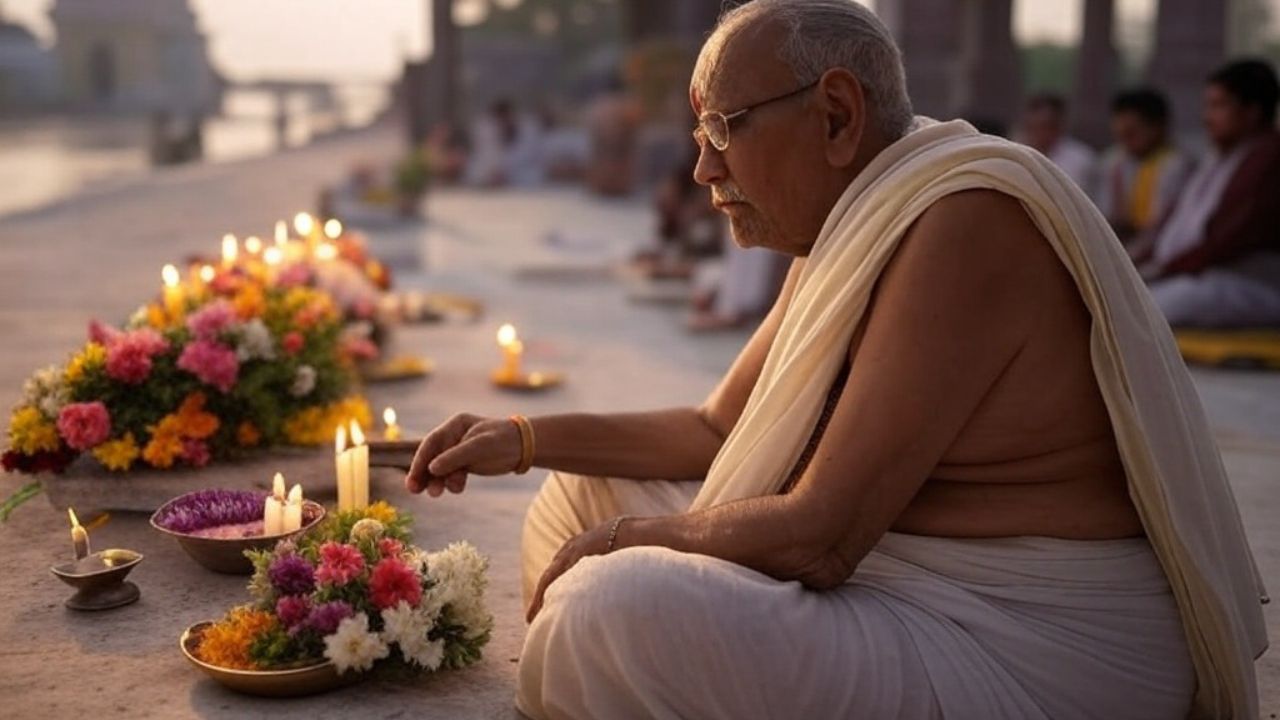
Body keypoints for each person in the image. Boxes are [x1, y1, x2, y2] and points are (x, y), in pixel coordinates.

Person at [406, 2, 1266, 718]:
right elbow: (716, 429)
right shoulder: (855, 216)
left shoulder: (964, 222)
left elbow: (821, 537)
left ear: (837, 116)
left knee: (609, 609)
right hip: (905, 582)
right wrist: (520, 437)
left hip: (1030, 640)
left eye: (721, 129)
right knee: (578, 496)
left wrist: (625, 542)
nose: (703, 167)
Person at [1134, 59, 1280, 327]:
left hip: (1251, 284)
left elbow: (1229, 239)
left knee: (1141, 310)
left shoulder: (1269, 158)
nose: (1207, 117)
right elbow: (1173, 226)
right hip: (1200, 275)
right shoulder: (1218, 159)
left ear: (1252, 111)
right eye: (1208, 106)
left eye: (1219, 106)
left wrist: (1161, 270)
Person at [1095, 88, 1195, 243]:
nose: (1124, 142)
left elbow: (1161, 224)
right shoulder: (1113, 162)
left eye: (1131, 133)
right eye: (1119, 134)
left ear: (1157, 127)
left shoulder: (1177, 166)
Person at [1018, 93, 1098, 195]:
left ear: (1060, 125)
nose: (1041, 133)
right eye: (1035, 126)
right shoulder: (1015, 155)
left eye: (1047, 126)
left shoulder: (1082, 160)